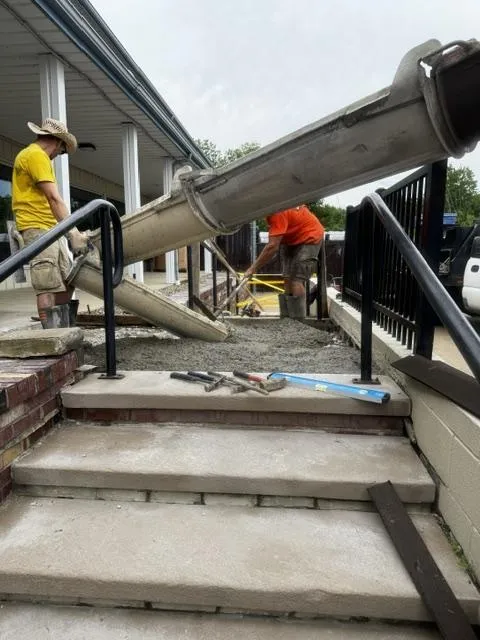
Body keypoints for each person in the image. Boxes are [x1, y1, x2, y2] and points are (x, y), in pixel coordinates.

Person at [12, 118, 89, 329]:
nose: (59, 155)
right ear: (57, 142)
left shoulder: (36, 157)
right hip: (37, 228)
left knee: (69, 280)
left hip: (50, 229)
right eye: (62, 151)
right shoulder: (36, 155)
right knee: (47, 286)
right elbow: (54, 198)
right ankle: (51, 337)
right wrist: (73, 232)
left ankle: (63, 332)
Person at [244, 205, 324, 319]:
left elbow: (272, 246)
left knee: (296, 280)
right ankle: (286, 319)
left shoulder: (277, 211)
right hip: (290, 239)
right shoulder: (273, 208)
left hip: (309, 236)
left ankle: (298, 321)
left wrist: (253, 268)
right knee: (287, 277)